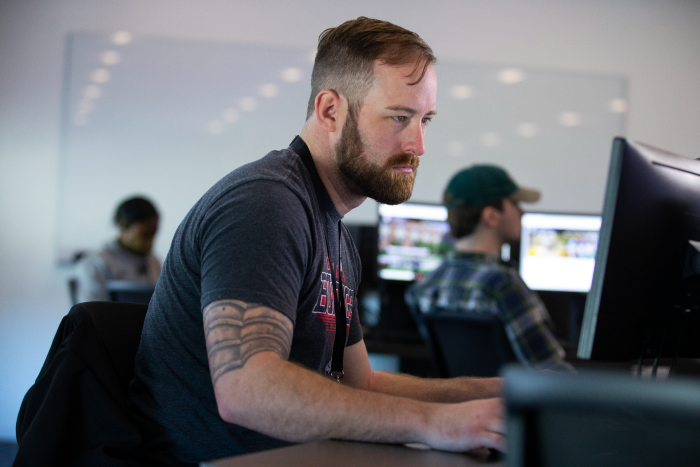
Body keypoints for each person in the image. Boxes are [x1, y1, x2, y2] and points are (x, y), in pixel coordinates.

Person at [128, 17, 504, 466]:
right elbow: (247, 390)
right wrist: (435, 424)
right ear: (330, 111)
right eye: (399, 118)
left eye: (425, 120)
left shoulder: (334, 233)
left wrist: (492, 395)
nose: (418, 144)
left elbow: (358, 383)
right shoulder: (266, 203)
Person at [406, 165, 574, 371]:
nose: (522, 211)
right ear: (491, 215)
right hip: (512, 402)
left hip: (461, 402)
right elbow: (550, 371)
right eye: (515, 203)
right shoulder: (503, 284)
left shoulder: (423, 288)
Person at [74, 196, 161, 302]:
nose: (150, 240)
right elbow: (91, 314)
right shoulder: (95, 265)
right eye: (144, 234)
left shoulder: (154, 262)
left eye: (153, 233)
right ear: (123, 225)